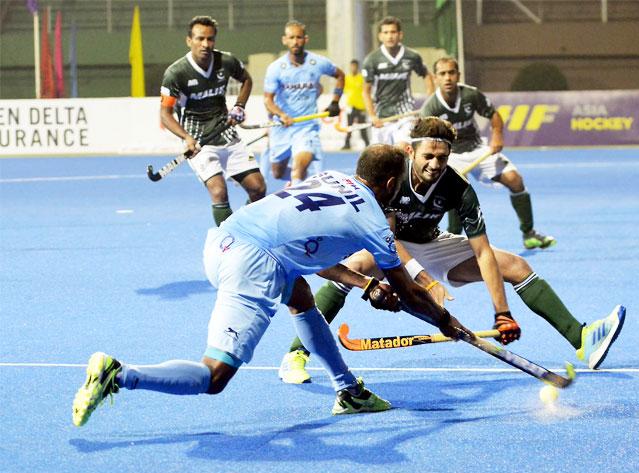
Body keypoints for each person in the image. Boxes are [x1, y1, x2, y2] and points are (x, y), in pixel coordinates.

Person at [72, 144, 477, 427]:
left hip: (223, 239)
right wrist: (445, 320)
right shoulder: (372, 219)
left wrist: (364, 284)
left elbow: (307, 253)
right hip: (252, 264)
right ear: (390, 184)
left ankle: (348, 389)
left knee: (299, 296)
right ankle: (119, 374)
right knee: (214, 377)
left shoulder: (328, 177)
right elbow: (408, 292)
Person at [278, 117, 625, 384]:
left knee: (516, 265)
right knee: (355, 267)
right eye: (428, 156)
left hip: (433, 242)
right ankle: (296, 355)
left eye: (442, 158)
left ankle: (581, 338)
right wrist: (426, 281)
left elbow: (483, 252)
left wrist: (500, 311)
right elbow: (389, 241)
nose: (435, 164)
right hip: (388, 243)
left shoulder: (458, 187)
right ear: (411, 152)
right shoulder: (392, 177)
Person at [421, 57, 554, 249]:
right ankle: (450, 242)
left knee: (515, 180)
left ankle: (529, 233)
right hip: (451, 155)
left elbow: (493, 114)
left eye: (451, 72)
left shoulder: (470, 95)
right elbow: (428, 142)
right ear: (435, 78)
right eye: (442, 74)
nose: (448, 78)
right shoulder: (431, 107)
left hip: (478, 149)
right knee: (454, 191)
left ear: (458, 75)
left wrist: (497, 136)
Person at [160, 15, 266, 227]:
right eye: (200, 39)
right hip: (199, 140)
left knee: (258, 188)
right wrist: (186, 138)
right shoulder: (176, 73)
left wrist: (239, 106)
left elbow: (246, 79)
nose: (205, 44)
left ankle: (245, 228)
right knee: (218, 191)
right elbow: (165, 113)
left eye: (210, 39)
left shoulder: (226, 61)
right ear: (189, 40)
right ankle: (227, 241)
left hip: (226, 132)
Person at [263, 20, 344, 185]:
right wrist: (281, 115)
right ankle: (302, 182)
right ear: (284, 40)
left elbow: (340, 76)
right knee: (277, 173)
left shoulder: (318, 62)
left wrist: (335, 101)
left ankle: (298, 195)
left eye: (299, 37)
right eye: (291, 37)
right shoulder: (276, 68)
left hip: (307, 127)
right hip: (283, 127)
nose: (295, 41)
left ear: (305, 39)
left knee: (297, 170)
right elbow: (268, 100)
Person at [361, 16, 434, 147]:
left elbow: (428, 76)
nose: (390, 36)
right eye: (386, 32)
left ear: (400, 35)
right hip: (381, 117)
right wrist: (372, 116)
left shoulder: (411, 56)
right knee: (380, 159)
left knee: (402, 150)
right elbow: (366, 92)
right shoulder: (372, 60)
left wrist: (429, 104)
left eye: (393, 32)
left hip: (405, 116)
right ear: (380, 36)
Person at [342, 59, 370, 149]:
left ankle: (367, 144)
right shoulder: (347, 78)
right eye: (352, 66)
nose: (353, 68)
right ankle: (347, 144)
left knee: (363, 127)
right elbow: (345, 91)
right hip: (351, 107)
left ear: (357, 67)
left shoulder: (362, 78)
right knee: (349, 127)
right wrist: (346, 105)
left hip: (361, 107)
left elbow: (366, 91)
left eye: (355, 66)